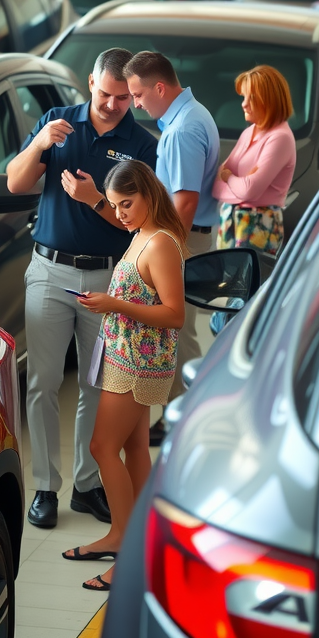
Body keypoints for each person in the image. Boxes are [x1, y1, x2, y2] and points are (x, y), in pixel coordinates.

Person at [6, 48, 158, 530]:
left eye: (123, 98)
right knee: (43, 383)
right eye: (106, 93)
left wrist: (95, 201)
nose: (114, 105)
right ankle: (45, 488)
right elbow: (15, 183)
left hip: (109, 280)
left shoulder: (142, 145)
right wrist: (38, 146)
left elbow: (144, 226)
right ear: (90, 83)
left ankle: (86, 484)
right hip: (49, 272)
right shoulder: (58, 122)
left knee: (96, 387)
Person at [60, 160, 188, 591]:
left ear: (149, 193)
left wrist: (114, 305)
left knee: (101, 447)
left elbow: (174, 314)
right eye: (115, 206)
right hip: (123, 355)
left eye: (127, 203)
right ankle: (125, 536)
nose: (121, 214)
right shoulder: (140, 234)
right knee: (133, 447)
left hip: (140, 363)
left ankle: (131, 551)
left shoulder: (161, 244)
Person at [124, 50, 219, 444]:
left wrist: (166, 249)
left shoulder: (181, 131)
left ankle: (185, 416)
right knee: (181, 329)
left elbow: (184, 203)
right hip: (191, 235)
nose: (135, 104)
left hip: (184, 237)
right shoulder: (192, 114)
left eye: (138, 95)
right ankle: (183, 411)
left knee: (178, 332)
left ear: (159, 87)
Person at [212, 64, 297, 255]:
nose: (243, 104)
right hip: (230, 226)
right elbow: (217, 186)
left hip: (258, 227)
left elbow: (249, 189)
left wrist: (231, 178)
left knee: (252, 283)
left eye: (252, 98)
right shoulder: (249, 132)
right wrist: (240, 183)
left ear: (270, 101)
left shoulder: (280, 137)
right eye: (244, 97)